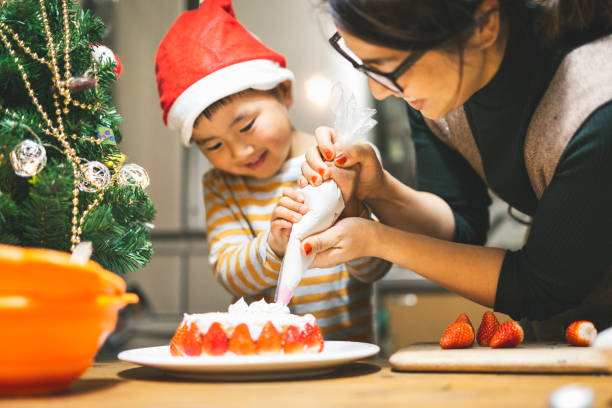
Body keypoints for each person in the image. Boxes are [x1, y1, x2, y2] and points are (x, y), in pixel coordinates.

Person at [300, 0, 612, 340]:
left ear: (483, 25)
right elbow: (461, 228)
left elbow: (541, 287)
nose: (380, 90)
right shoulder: (435, 90)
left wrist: (376, 240)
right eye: (366, 66)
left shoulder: (596, 105)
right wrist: (379, 190)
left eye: (387, 66)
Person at [154, 0, 390, 341]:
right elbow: (230, 273)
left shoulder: (340, 160)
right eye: (214, 145)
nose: (239, 151)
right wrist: (274, 245)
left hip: (347, 353)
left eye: (246, 126)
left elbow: (376, 268)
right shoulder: (221, 185)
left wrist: (352, 214)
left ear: (285, 92)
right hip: (266, 356)